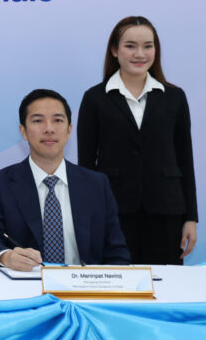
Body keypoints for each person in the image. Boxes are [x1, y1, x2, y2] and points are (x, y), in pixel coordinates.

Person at [77, 16, 197, 264]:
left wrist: (191, 218)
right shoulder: (95, 98)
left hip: (167, 212)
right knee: (118, 280)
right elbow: (86, 166)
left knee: (167, 282)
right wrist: (89, 217)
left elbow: (185, 160)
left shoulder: (174, 97)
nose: (140, 54)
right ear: (114, 50)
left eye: (148, 46)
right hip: (114, 211)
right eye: (130, 46)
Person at [0, 89, 129, 270]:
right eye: (38, 121)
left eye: (58, 120)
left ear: (69, 130)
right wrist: (6, 257)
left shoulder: (96, 184)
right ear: (23, 131)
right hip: (26, 282)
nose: (49, 129)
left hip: (84, 283)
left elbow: (117, 251)